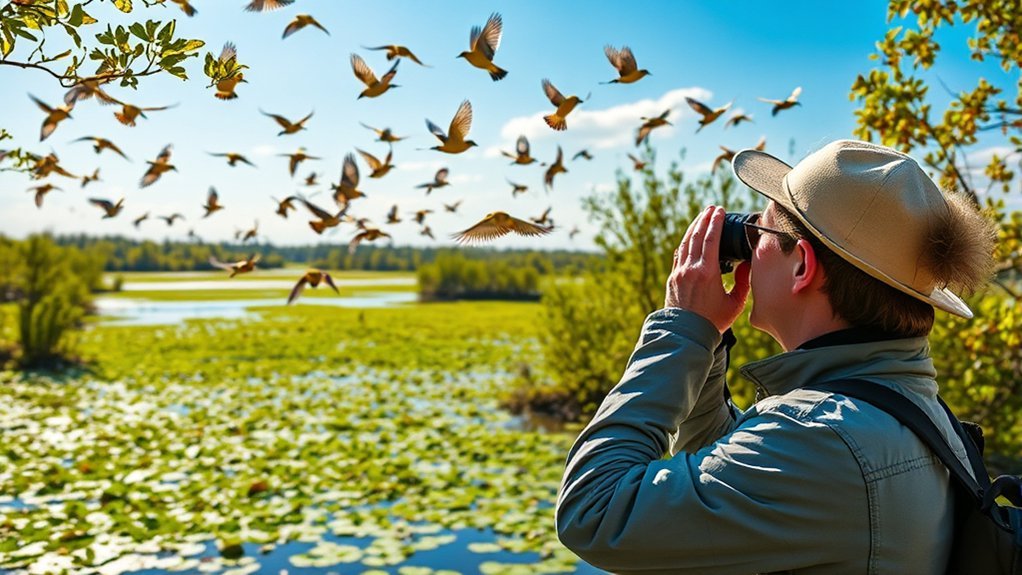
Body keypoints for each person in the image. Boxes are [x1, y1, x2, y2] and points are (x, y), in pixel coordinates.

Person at [556, 139, 998, 574]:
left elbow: (594, 510)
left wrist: (682, 327)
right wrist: (707, 343)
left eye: (758, 232)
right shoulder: (901, 407)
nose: (746, 247)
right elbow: (727, 466)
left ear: (802, 266)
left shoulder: (822, 439)